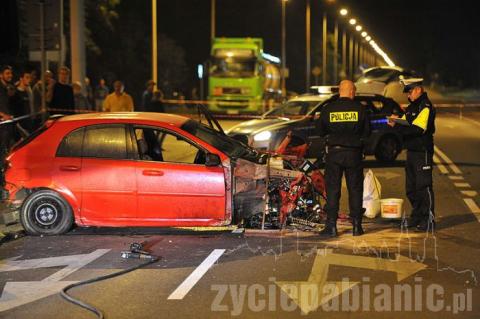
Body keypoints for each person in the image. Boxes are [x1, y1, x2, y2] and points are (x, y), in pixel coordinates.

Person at [317, 80, 370, 237]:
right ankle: (356, 226)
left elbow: (320, 130)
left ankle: (331, 226)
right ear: (352, 91)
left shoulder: (328, 109)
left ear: (340, 91)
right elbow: (367, 132)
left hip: (334, 153)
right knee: (355, 189)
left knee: (333, 190)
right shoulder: (360, 109)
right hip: (354, 153)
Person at [388, 78, 436, 232]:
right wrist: (395, 122)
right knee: (411, 188)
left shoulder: (425, 106)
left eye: (409, 92)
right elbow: (406, 121)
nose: (408, 96)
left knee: (423, 186)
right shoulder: (412, 107)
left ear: (418, 90)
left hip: (423, 151)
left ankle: (428, 219)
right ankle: (416, 216)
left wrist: (399, 127)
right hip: (412, 151)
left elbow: (418, 129)